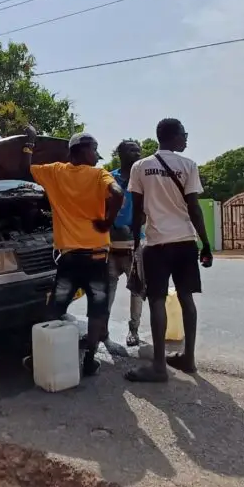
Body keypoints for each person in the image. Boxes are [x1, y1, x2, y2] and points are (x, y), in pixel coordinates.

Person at [21, 128, 125, 377]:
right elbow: (118, 194)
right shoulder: (99, 174)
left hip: (69, 259)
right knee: (97, 311)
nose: (96, 157)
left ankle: (39, 359)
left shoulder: (55, 172)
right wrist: (107, 222)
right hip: (97, 258)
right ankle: (89, 362)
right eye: (94, 151)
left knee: (56, 307)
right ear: (83, 150)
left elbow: (27, 168)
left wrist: (30, 143)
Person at [125, 118, 213, 383]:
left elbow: (138, 211)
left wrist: (135, 243)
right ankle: (189, 359)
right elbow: (194, 208)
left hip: (157, 243)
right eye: (184, 135)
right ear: (173, 137)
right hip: (185, 242)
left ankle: (159, 366)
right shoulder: (188, 166)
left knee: (157, 300)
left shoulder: (141, 167)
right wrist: (205, 243)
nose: (186, 139)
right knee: (186, 298)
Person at [108, 140, 146, 347]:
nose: (137, 152)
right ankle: (102, 330)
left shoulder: (141, 179)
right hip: (111, 246)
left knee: (136, 292)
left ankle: (134, 330)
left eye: (139, 150)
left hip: (134, 244)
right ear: (120, 152)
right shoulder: (108, 178)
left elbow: (146, 210)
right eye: (132, 149)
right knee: (108, 291)